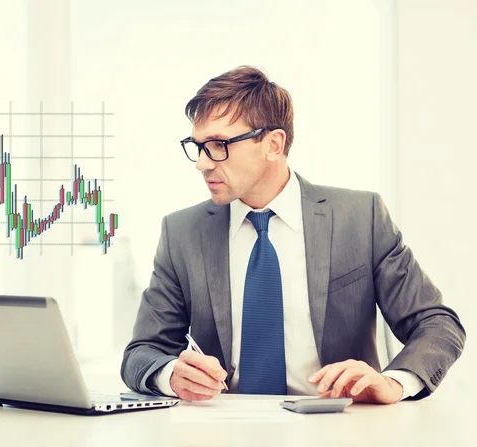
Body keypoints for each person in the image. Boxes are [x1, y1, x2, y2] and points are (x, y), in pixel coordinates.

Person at [121, 66, 465, 404]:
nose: (203, 163)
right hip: (224, 428)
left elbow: (437, 324)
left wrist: (392, 382)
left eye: (218, 145)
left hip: (337, 425)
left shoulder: (361, 218)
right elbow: (142, 352)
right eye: (198, 146)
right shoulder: (182, 232)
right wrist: (168, 374)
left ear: (273, 144)